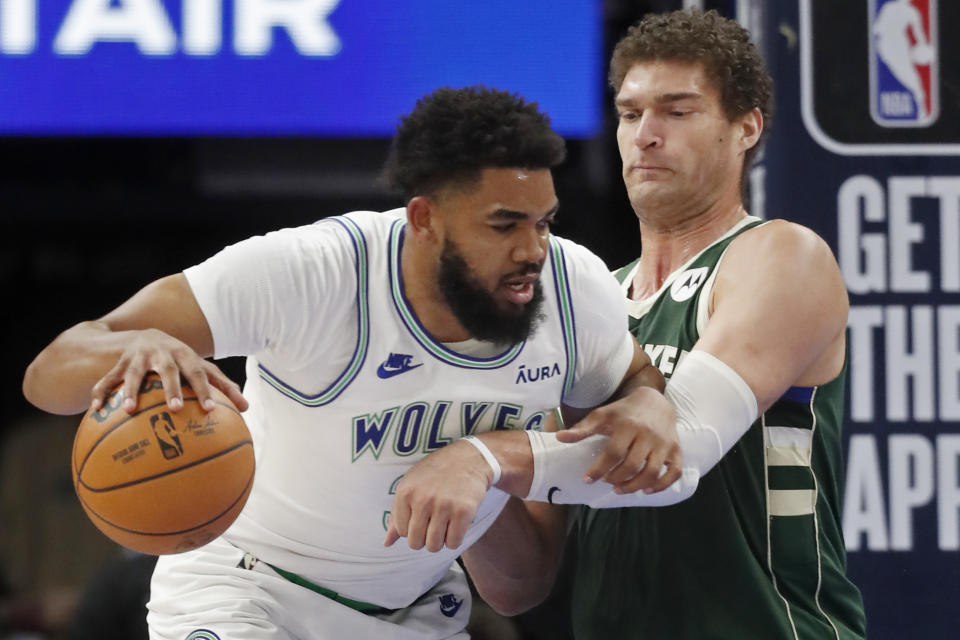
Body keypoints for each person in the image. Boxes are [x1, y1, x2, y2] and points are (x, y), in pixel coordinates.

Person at [22, 86, 683, 640]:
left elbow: (519, 588)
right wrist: (128, 346)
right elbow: (49, 375)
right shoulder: (309, 273)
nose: (533, 249)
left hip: (414, 610)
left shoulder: (574, 291)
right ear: (423, 219)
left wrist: (644, 404)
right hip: (248, 588)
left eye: (543, 222)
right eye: (503, 225)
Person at [386, 9, 867, 640]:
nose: (646, 135)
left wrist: (482, 456)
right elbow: (516, 586)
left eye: (678, 110)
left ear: (746, 127)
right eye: (631, 113)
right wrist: (452, 424)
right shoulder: (591, 303)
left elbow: (682, 446)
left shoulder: (782, 257)